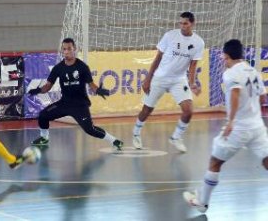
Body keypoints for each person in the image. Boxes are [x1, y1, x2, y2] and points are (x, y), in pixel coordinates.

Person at [183, 39, 268, 213]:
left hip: (238, 128)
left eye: (223, 55)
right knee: (266, 159)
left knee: (215, 162)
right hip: (257, 126)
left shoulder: (230, 74)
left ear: (227, 56)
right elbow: (262, 98)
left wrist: (231, 120)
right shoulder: (254, 71)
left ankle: (202, 202)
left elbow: (235, 93)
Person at [29, 38, 123, 151]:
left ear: (74, 49)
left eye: (69, 49)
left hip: (80, 105)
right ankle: (44, 138)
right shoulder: (58, 68)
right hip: (64, 103)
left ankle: (114, 140)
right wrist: (38, 90)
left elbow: (91, 85)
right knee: (43, 115)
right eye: (64, 49)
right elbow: (48, 86)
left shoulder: (82, 67)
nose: (66, 51)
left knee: (90, 130)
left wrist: (98, 90)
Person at [132, 11, 205, 152]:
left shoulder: (198, 42)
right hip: (160, 78)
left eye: (186, 23)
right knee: (147, 109)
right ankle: (136, 133)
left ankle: (176, 137)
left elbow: (193, 66)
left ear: (192, 24)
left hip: (179, 80)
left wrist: (192, 83)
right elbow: (157, 58)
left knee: (188, 111)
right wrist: (148, 78)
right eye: (181, 23)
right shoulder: (170, 36)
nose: (183, 26)